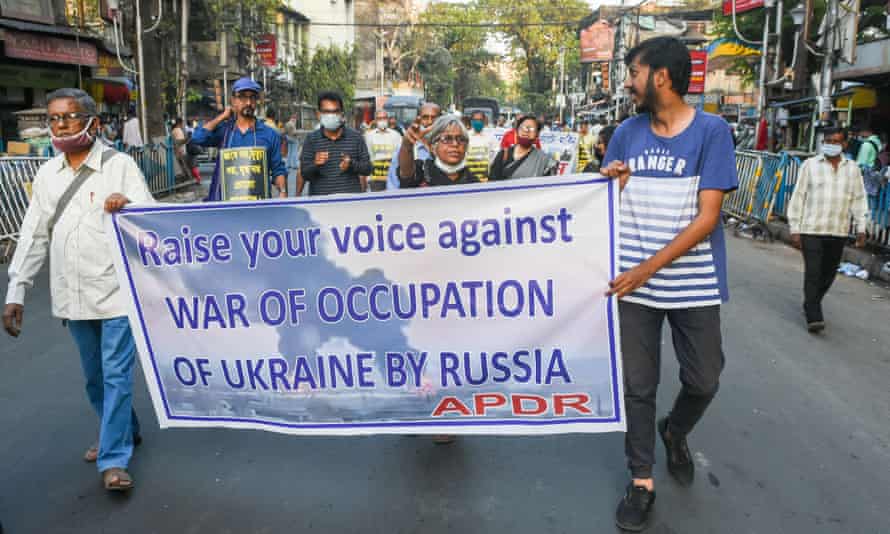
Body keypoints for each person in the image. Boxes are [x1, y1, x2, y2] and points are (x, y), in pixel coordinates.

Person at [598, 37, 739, 532]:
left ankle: (674, 430)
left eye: (633, 73)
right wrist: (611, 182)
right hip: (632, 284)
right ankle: (641, 480)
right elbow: (607, 202)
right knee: (638, 386)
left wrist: (647, 268)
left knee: (704, 380)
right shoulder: (626, 132)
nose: (627, 83)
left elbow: (707, 218)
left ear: (661, 76)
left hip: (692, 282)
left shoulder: (712, 132)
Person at [3, 88, 154, 492]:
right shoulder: (47, 175)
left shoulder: (119, 166)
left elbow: (152, 220)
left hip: (117, 293)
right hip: (72, 295)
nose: (61, 125)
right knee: (95, 378)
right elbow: (33, 235)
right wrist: (16, 291)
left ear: (93, 123)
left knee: (116, 375)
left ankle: (113, 458)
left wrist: (129, 205)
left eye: (69, 117)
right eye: (54, 118)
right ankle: (122, 429)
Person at [787, 127, 868, 333]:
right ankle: (814, 314)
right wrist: (795, 228)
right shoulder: (810, 165)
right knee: (813, 272)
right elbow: (798, 196)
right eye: (827, 141)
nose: (831, 145)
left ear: (844, 144)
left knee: (828, 274)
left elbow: (859, 199)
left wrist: (861, 227)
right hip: (811, 228)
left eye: (836, 141)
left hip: (838, 230)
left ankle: (811, 301)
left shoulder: (853, 169)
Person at [190, 77, 287, 200]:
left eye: (252, 97)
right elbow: (197, 138)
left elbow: (278, 170)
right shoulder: (224, 131)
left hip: (258, 206)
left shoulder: (270, 134)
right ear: (233, 101)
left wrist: (283, 192)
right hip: (223, 206)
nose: (248, 102)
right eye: (242, 97)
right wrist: (222, 117)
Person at [300, 91, 372, 196]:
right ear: (318, 114)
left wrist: (351, 164)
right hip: (320, 202)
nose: (331, 115)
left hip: (350, 201)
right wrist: (315, 164)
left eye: (335, 111)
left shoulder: (356, 137)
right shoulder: (311, 139)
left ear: (341, 114)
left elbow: (368, 169)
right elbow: (304, 174)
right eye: (326, 112)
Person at [398, 114, 477, 189]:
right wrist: (407, 144)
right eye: (447, 139)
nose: (455, 144)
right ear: (432, 147)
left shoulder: (473, 182)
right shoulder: (423, 172)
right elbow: (407, 172)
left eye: (461, 139)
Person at [386, 102, 441, 190]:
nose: (430, 122)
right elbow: (393, 185)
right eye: (425, 117)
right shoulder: (405, 150)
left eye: (434, 118)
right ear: (418, 119)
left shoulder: (449, 148)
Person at [490, 115, 557, 180]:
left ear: (537, 135)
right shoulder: (503, 154)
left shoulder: (543, 160)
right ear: (517, 131)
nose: (526, 131)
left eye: (531, 129)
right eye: (523, 128)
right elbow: (492, 182)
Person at [364, 110, 402, 191]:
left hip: (392, 175)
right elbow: (368, 156)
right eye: (379, 118)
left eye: (384, 118)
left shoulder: (396, 135)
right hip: (376, 176)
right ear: (375, 120)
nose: (382, 120)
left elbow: (399, 155)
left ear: (387, 119)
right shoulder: (369, 136)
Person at [466, 110, 498, 182]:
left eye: (480, 120)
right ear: (471, 121)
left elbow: (496, 154)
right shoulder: (465, 136)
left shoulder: (491, 137)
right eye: (475, 120)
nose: (478, 122)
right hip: (468, 176)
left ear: (484, 121)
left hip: (486, 176)